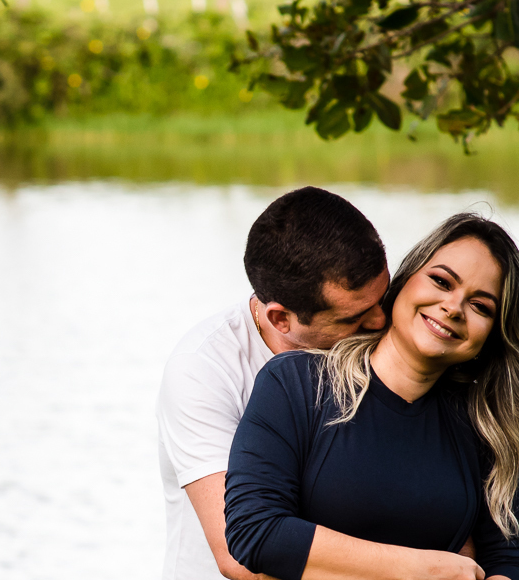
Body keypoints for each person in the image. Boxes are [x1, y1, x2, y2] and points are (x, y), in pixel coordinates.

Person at [224, 213, 519, 580]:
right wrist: (421, 569)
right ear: (403, 282)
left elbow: (509, 558)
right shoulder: (296, 383)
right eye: (441, 281)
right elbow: (255, 531)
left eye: (480, 306)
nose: (453, 308)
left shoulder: (483, 426)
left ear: (492, 336)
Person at [157, 187, 391, 580]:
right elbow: (240, 557)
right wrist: (419, 568)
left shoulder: (381, 336)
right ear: (281, 319)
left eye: (382, 299)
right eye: (355, 317)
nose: (381, 323)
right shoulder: (202, 370)